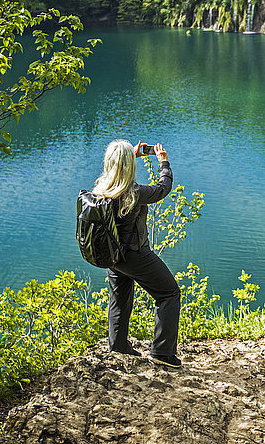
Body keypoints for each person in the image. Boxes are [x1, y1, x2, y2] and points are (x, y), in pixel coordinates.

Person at [91, 139, 181, 368]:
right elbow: (163, 189)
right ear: (129, 165)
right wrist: (164, 163)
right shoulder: (135, 192)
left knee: (119, 299)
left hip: (113, 255)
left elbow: (115, 167)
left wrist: (128, 155)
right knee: (169, 294)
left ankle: (118, 346)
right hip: (135, 255)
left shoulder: (101, 187)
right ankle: (162, 353)